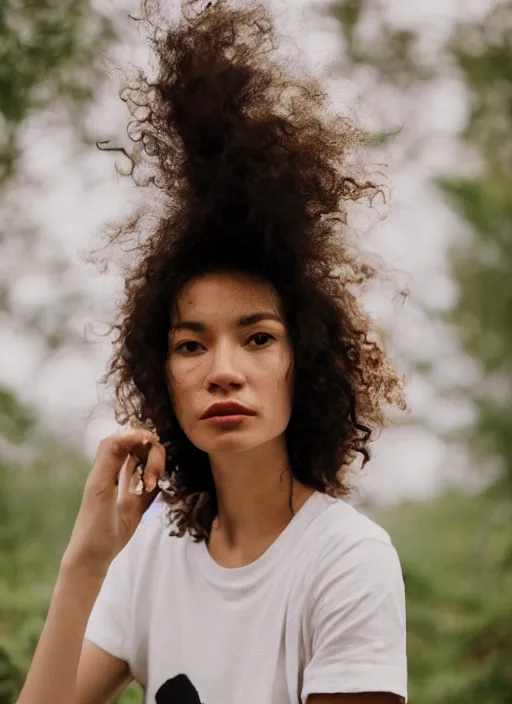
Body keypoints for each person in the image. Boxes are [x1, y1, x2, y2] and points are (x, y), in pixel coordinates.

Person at [16, 1, 408, 703]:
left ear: (305, 364)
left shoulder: (346, 561)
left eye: (258, 338)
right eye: (190, 345)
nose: (223, 371)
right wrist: (88, 560)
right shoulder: (152, 560)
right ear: (161, 375)